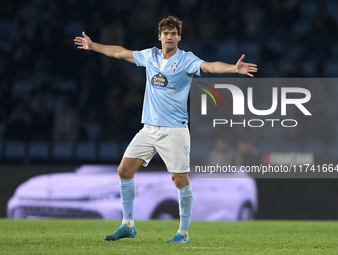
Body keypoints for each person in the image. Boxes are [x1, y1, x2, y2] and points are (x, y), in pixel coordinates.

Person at [74, 16, 257, 243]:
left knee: (180, 180)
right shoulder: (149, 56)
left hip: (174, 130)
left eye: (173, 33)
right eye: (166, 33)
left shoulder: (186, 59)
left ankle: (183, 233)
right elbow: (119, 52)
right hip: (149, 129)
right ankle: (128, 225)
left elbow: (209, 66)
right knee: (124, 171)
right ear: (159, 36)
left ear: (179, 37)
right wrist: (93, 46)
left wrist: (233, 69)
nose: (169, 37)